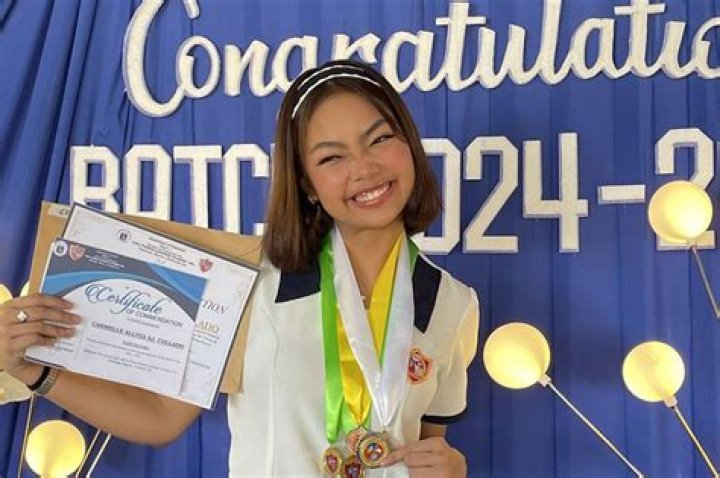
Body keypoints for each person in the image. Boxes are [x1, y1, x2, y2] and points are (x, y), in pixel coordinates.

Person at [0, 60, 479, 477]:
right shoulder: (248, 279)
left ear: (409, 144)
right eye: (332, 157)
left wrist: (449, 467)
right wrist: (34, 372)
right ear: (307, 184)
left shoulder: (453, 303)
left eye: (380, 139)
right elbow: (160, 417)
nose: (365, 168)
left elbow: (425, 446)